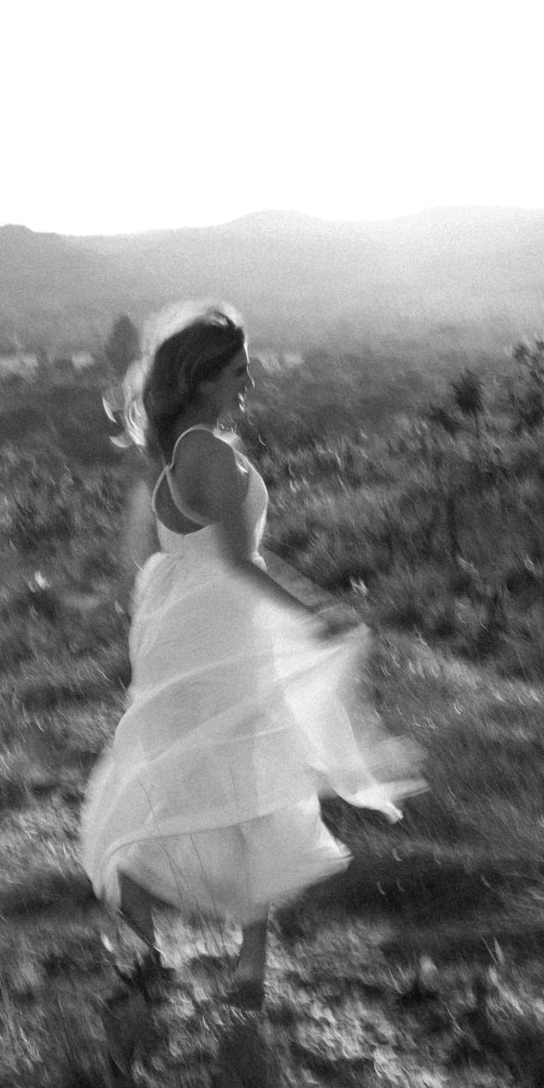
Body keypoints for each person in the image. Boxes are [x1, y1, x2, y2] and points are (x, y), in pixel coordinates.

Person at [80, 303, 425, 1009]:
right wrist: (313, 613)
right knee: (249, 781)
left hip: (188, 627)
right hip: (224, 633)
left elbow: (180, 555)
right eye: (239, 371)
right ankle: (241, 967)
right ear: (204, 380)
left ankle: (162, 953)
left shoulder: (177, 452)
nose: (250, 383)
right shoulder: (207, 453)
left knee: (192, 772)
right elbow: (241, 560)